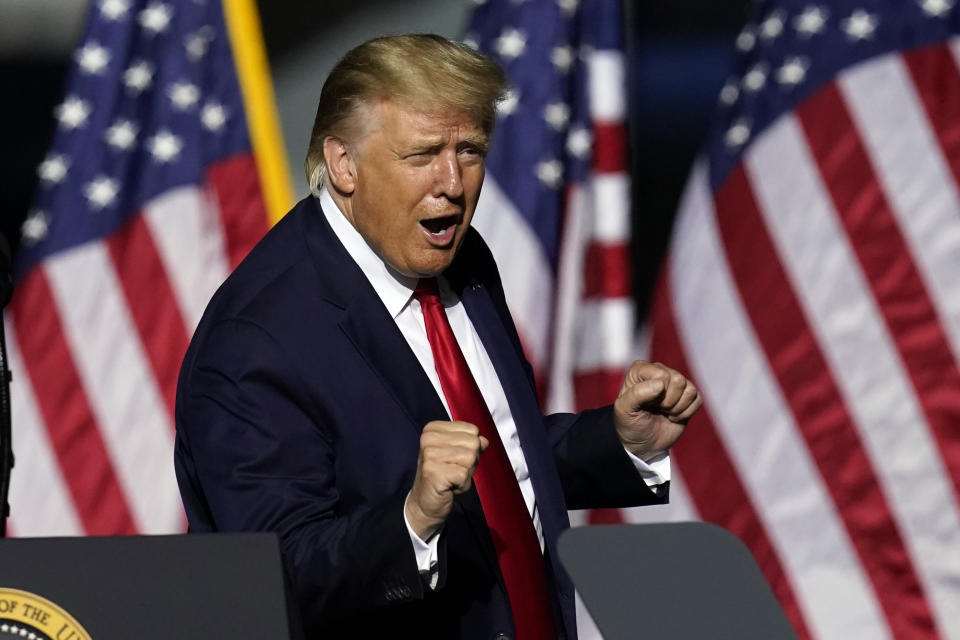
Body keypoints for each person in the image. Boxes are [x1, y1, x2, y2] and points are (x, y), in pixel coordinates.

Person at [174, 34, 701, 640]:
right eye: (423, 154)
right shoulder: (257, 339)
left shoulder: (461, 256)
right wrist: (412, 521)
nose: (452, 183)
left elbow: (493, 462)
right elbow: (273, 575)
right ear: (344, 164)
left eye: (470, 150)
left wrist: (616, 441)